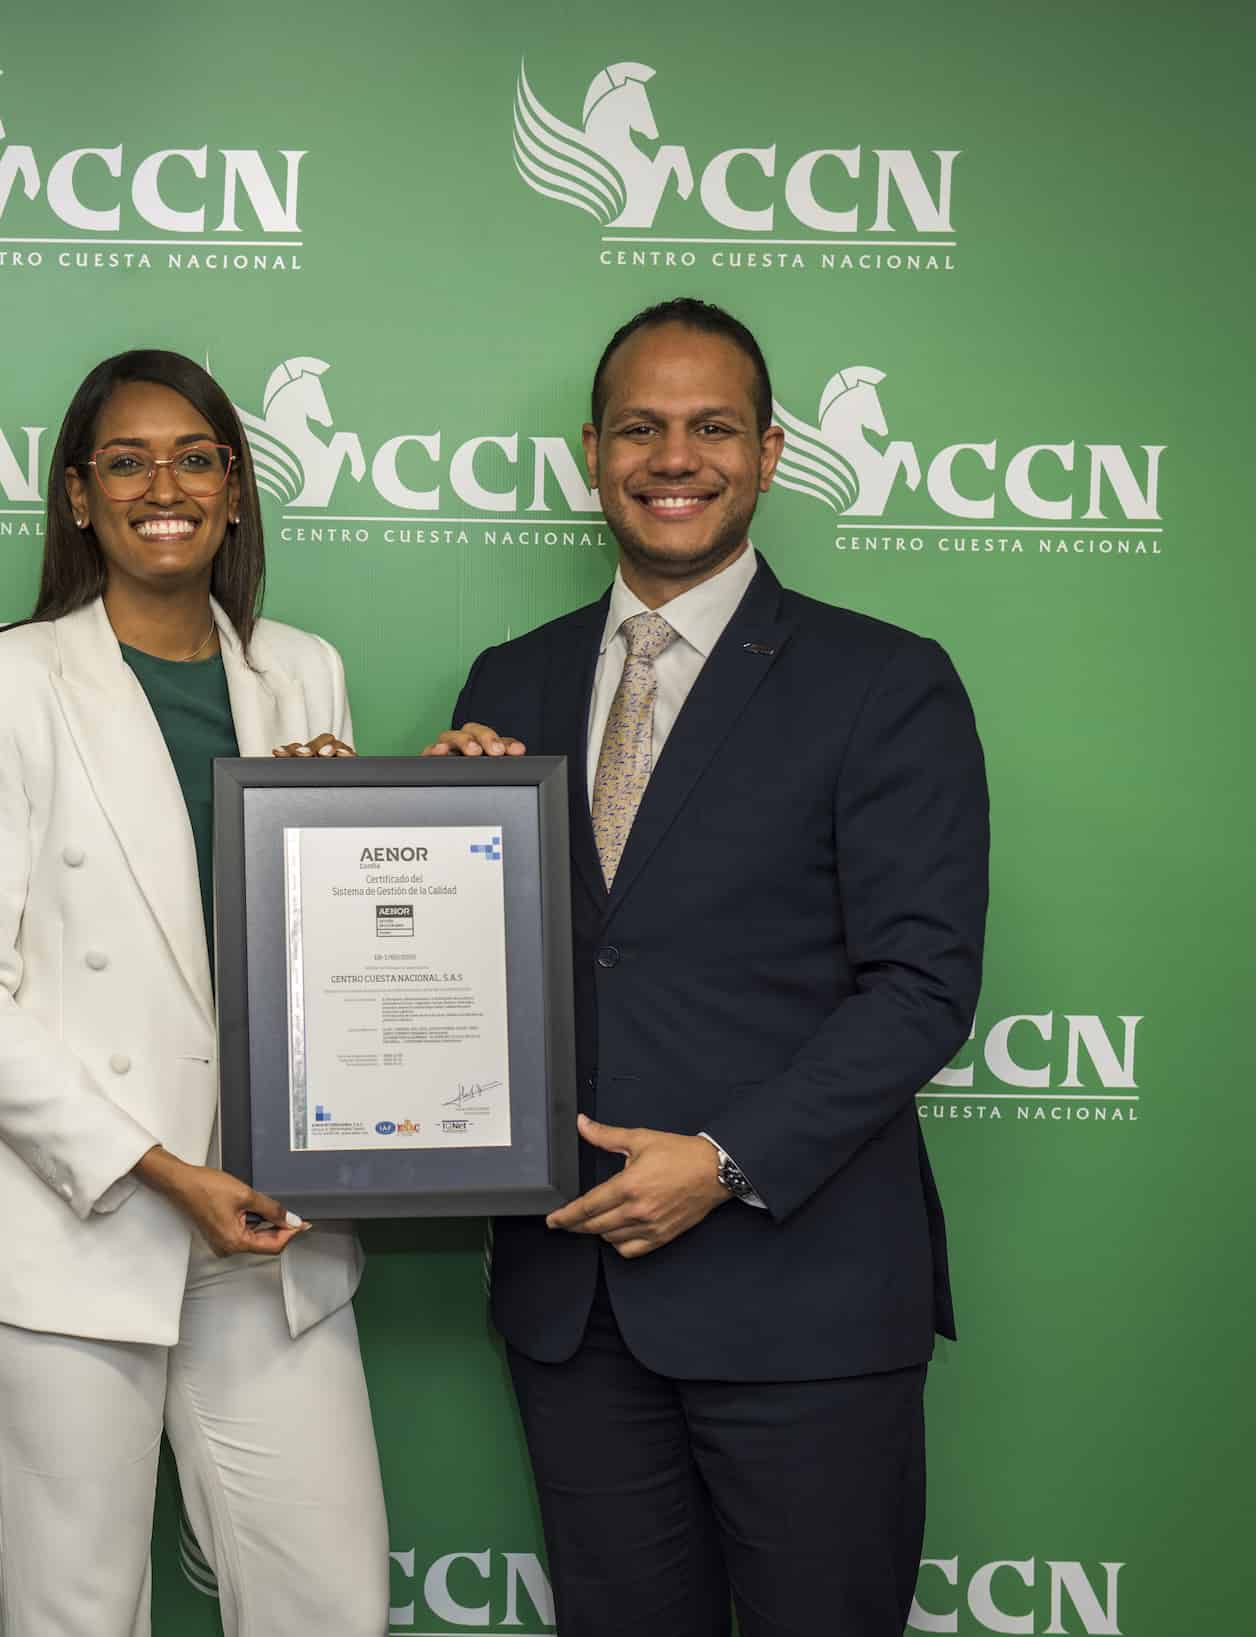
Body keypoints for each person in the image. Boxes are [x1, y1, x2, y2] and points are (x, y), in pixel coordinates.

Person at [427, 297, 987, 1637]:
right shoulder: (512, 678)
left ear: (771, 453)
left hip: (805, 1303)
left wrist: (725, 1158)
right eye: (641, 427)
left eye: (711, 427)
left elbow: (922, 986)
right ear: (590, 452)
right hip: (577, 1306)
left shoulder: (884, 681)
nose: (674, 457)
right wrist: (434, 843)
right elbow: (492, 974)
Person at [0, 350, 389, 1637]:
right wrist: (163, 1168)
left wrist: (427, 818)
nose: (161, 485)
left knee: (328, 1601)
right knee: (76, 1612)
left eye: (195, 456)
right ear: (78, 496)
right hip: (73, 1223)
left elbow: (338, 953)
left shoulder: (304, 672)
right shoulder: (1, 682)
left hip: (271, 1226)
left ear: (235, 488)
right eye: (126, 460)